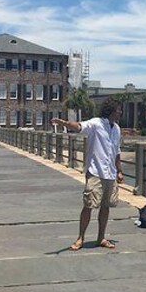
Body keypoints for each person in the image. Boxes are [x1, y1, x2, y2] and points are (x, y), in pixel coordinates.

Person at [51, 98, 124, 251]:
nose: (120, 112)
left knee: (105, 207)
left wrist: (119, 170)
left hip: (110, 173)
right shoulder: (96, 123)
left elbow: (117, 151)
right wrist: (64, 123)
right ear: (111, 110)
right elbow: (79, 127)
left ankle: (101, 238)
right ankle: (80, 238)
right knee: (88, 205)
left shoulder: (116, 128)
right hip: (96, 172)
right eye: (118, 109)